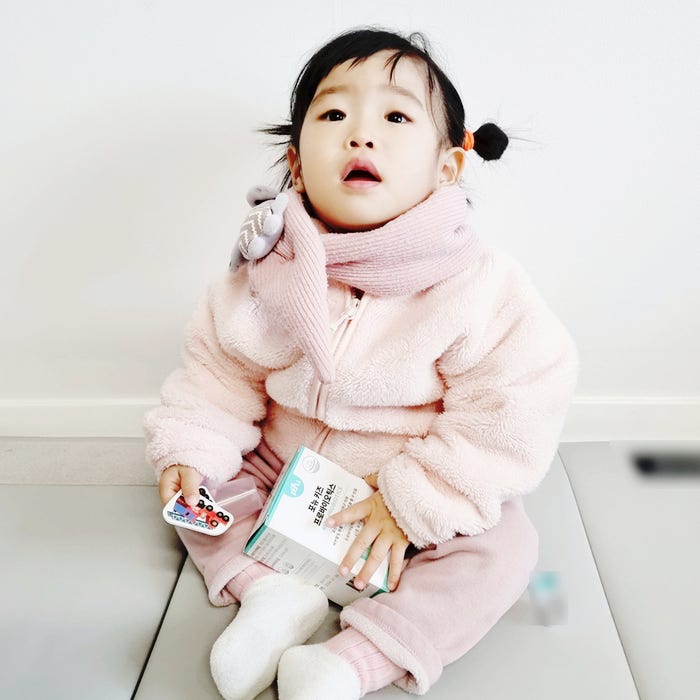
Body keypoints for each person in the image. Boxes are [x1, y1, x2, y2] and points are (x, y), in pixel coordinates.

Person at [144, 27, 579, 700]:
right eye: (334, 115)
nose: (361, 135)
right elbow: (219, 375)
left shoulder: (481, 288)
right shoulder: (266, 273)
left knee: (504, 551)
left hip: (404, 496)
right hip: (282, 473)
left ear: (447, 168)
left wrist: (417, 501)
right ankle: (270, 595)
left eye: (396, 117)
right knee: (192, 492)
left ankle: (355, 659)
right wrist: (193, 450)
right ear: (296, 164)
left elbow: (512, 406)